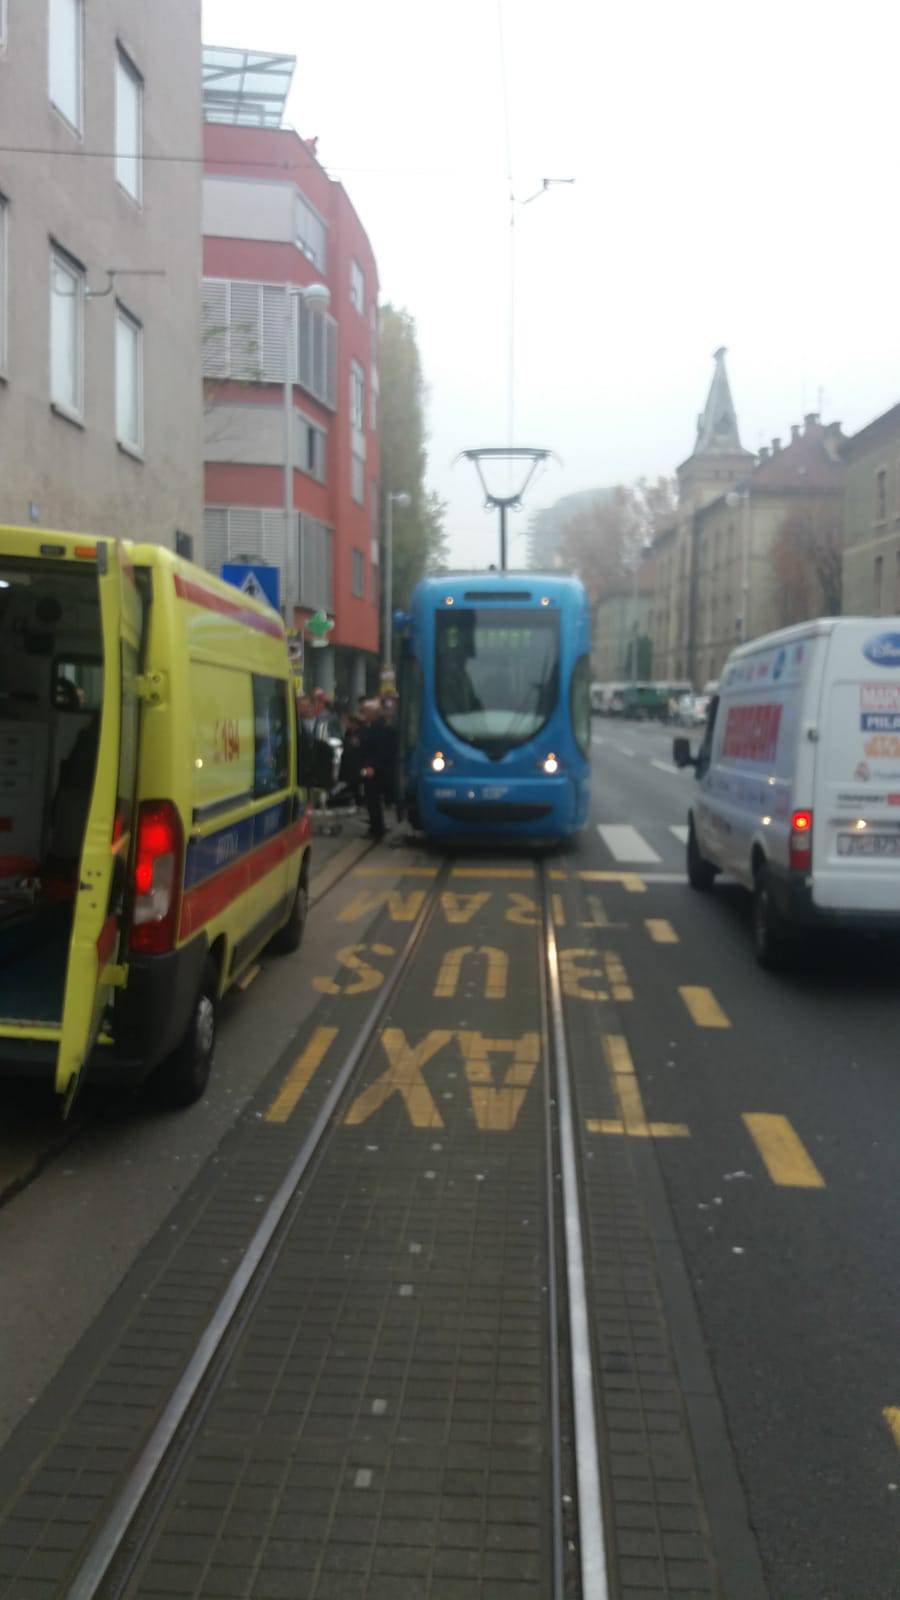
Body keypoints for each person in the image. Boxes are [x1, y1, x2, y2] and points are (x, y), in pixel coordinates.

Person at [357, 699, 391, 840]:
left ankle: (377, 829)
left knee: (373, 799)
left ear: (373, 713)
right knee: (371, 800)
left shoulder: (379, 728)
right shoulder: (371, 725)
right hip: (370, 767)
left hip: (374, 769)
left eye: (365, 712)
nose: (363, 715)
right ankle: (375, 826)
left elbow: (379, 749)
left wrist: (372, 766)